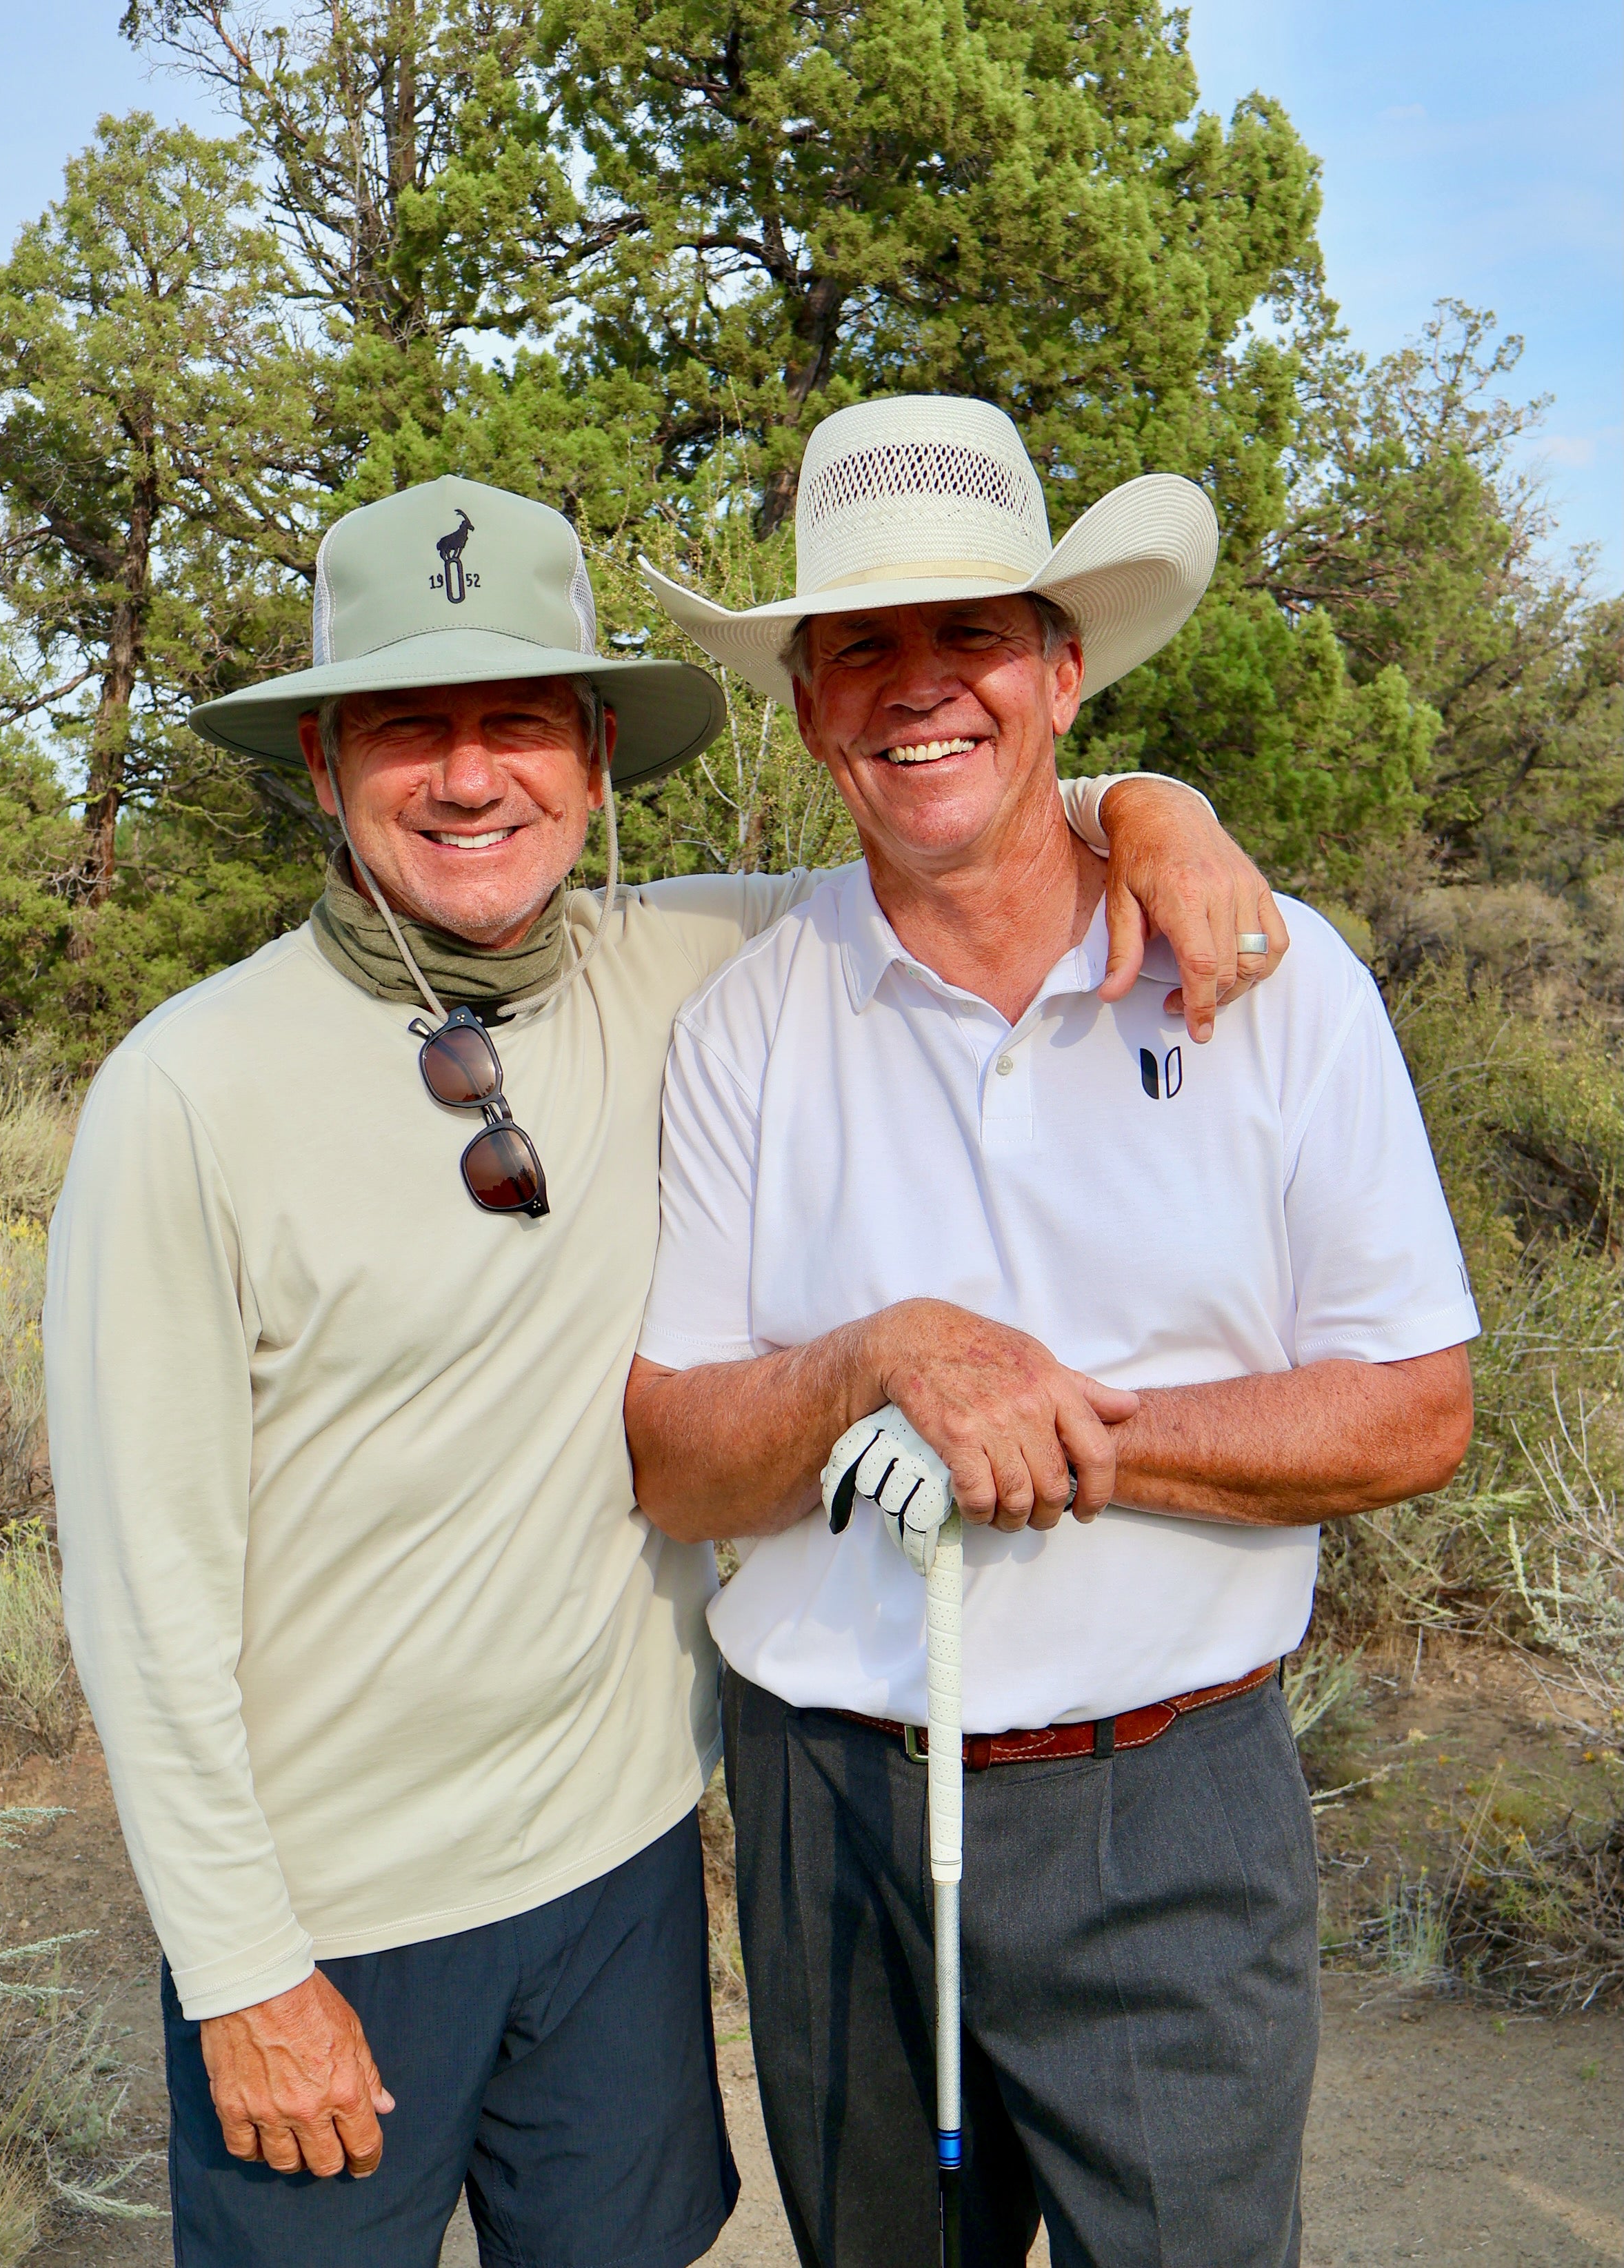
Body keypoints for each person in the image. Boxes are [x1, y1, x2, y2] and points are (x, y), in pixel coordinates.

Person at [45, 464, 1286, 2268]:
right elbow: (141, 1591)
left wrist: (1143, 802)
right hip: (335, 1915)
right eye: (410, 728)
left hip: (620, 1874)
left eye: (521, 723)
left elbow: (961, 836)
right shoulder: (187, 1091)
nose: (473, 776)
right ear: (323, 767)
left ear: (597, 757)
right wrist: (242, 1972)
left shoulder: (700, 966)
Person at [625, 397, 1478, 2268]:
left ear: (1067, 670)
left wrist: (1065, 1436)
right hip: (828, 1800)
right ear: (807, 706)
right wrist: (883, 1363)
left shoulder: (1273, 979)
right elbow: (679, 1452)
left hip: (1165, 1804)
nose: (921, 689)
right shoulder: (749, 1014)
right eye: (863, 647)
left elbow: (1417, 1410)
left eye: (973, 636)